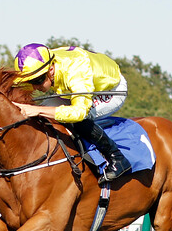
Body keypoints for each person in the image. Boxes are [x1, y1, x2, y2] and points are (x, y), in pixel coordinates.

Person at [11, 43, 130, 184]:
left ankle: (117, 158)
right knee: (43, 114)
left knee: (76, 119)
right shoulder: (43, 67)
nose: (34, 87)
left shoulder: (75, 70)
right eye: (29, 82)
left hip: (111, 89)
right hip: (74, 89)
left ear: (51, 70)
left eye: (38, 81)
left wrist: (37, 110)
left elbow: (78, 112)